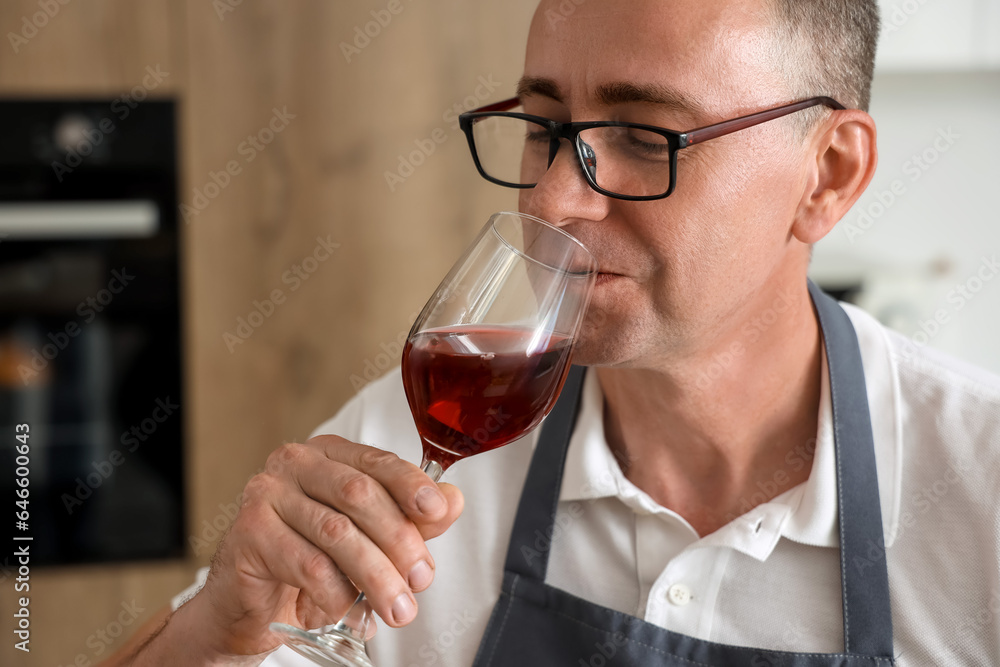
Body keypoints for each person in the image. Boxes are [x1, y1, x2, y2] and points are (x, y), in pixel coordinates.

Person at [105, 0, 1000, 665]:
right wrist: (218, 631)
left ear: (828, 177)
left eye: (647, 136)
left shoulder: (979, 491)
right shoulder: (430, 435)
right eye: (544, 128)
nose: (552, 200)